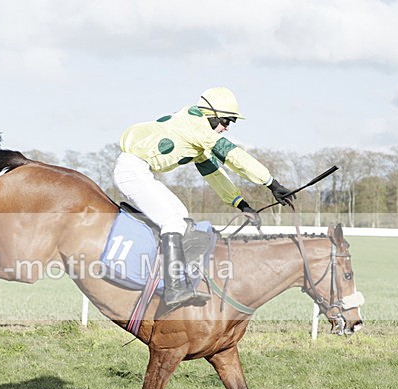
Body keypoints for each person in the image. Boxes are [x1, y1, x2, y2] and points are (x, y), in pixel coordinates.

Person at [113, 86, 295, 312]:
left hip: (141, 172)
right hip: (132, 171)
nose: (227, 127)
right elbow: (234, 157)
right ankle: (174, 288)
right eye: (226, 121)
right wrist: (272, 183)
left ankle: (177, 280)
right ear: (211, 114)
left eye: (231, 123)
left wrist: (241, 204)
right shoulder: (197, 128)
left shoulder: (199, 133)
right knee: (173, 222)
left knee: (180, 216)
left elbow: (215, 174)